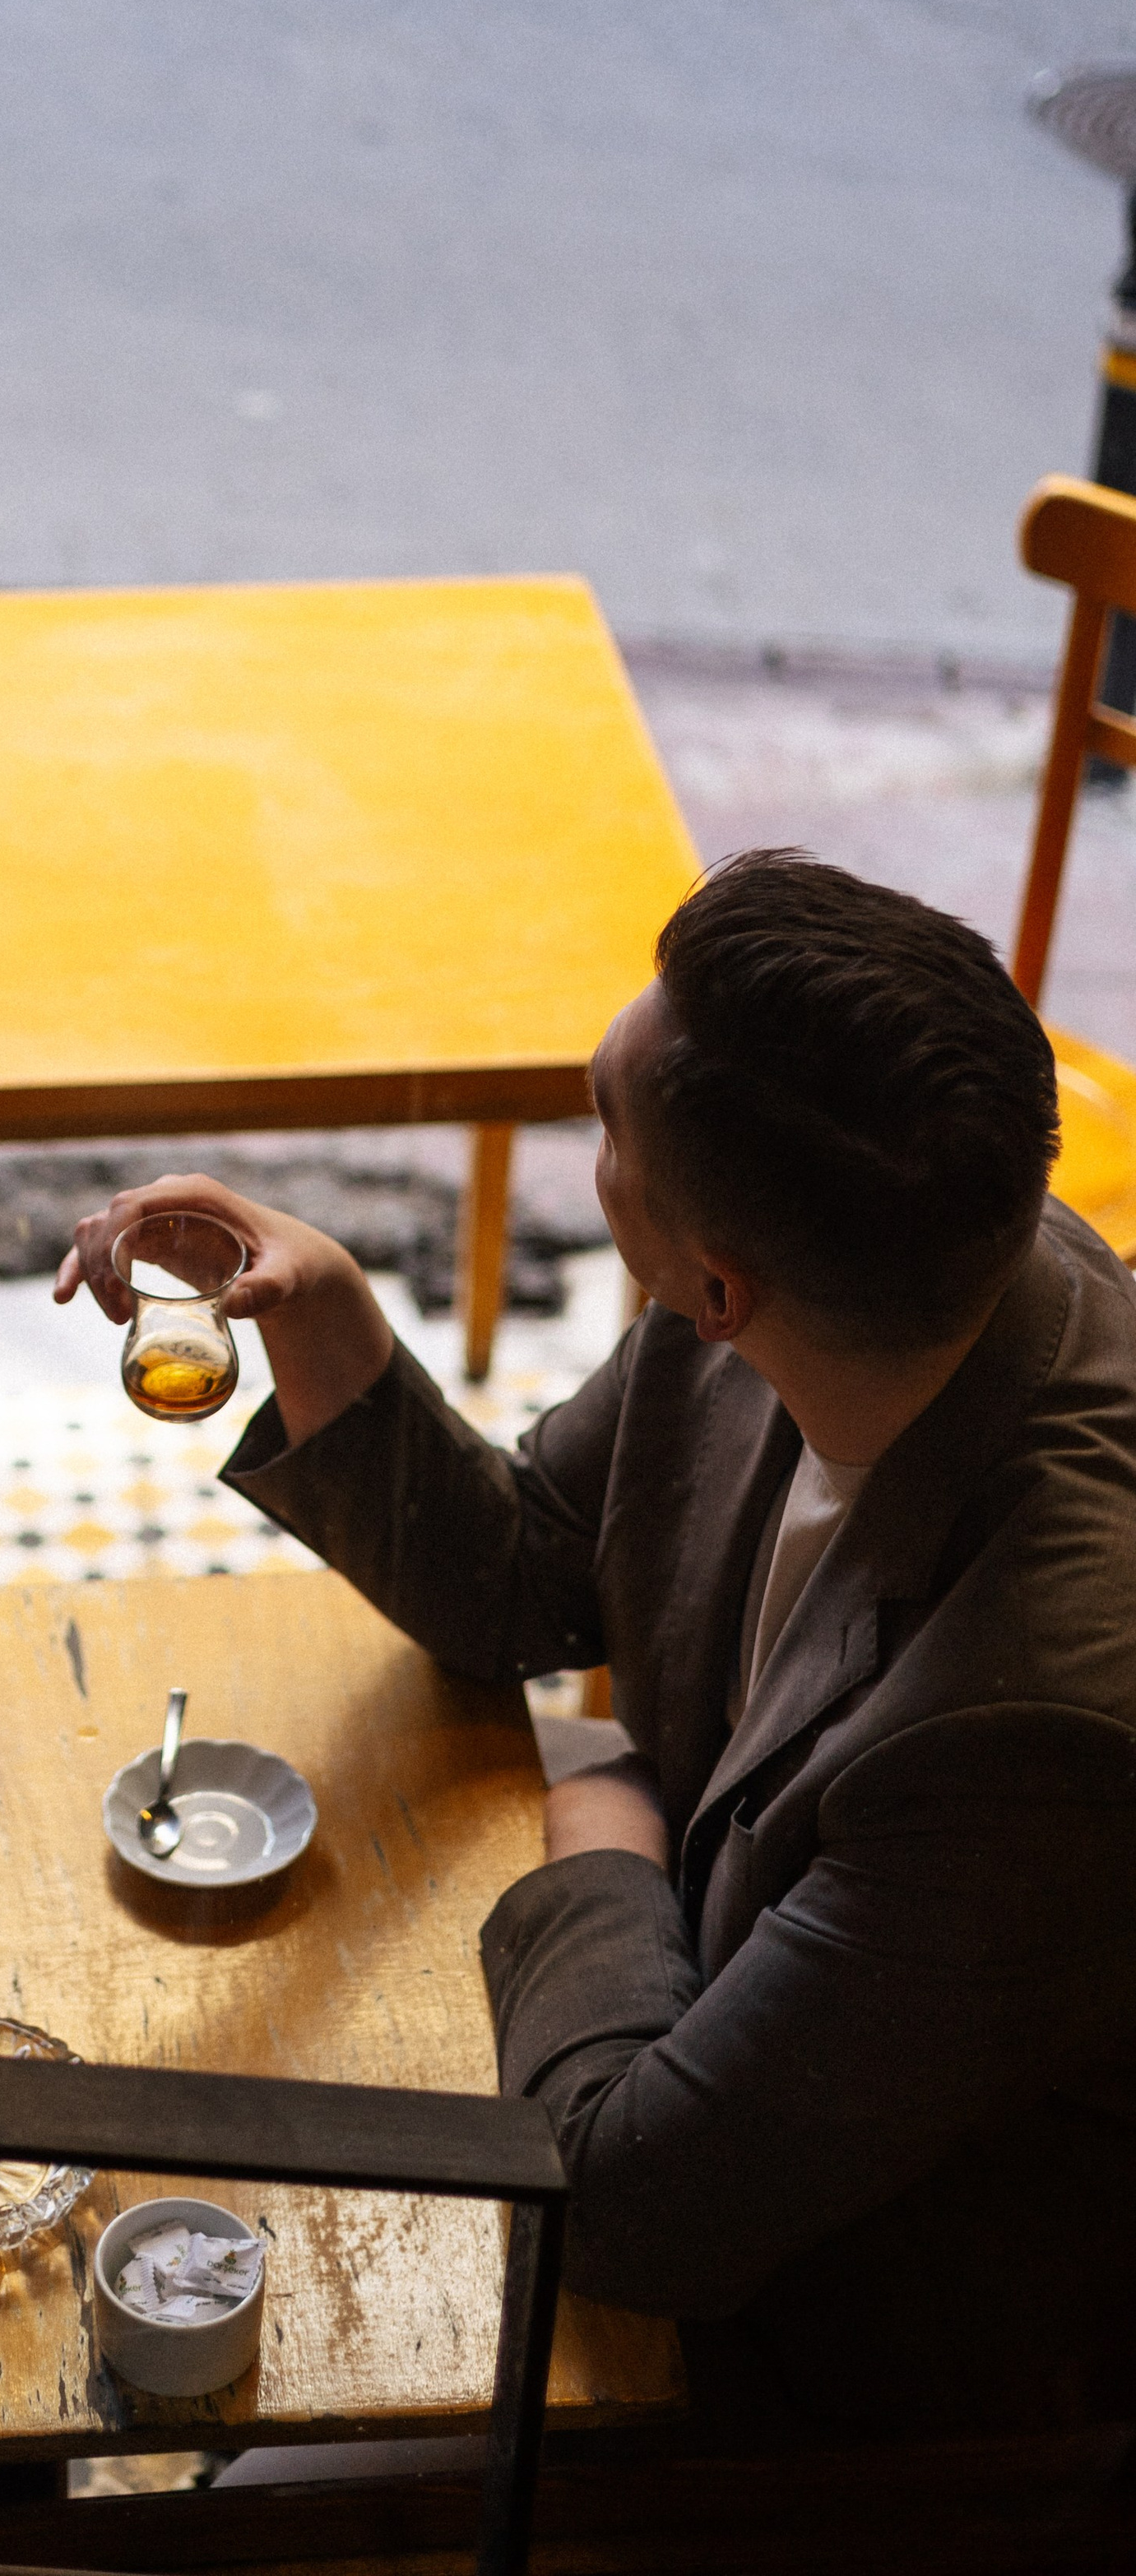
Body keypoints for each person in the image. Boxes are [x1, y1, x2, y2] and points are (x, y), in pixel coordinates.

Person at [58, 851, 1136, 2442]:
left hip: (874, 2367)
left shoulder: (1033, 1727)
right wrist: (326, 1309)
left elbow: (631, 2213)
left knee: (248, 2438)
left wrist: (604, 1836)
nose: (593, 1159)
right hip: (727, 2067)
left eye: (605, 1131)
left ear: (716, 1284)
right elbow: (534, 1581)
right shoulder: (873, 1272)